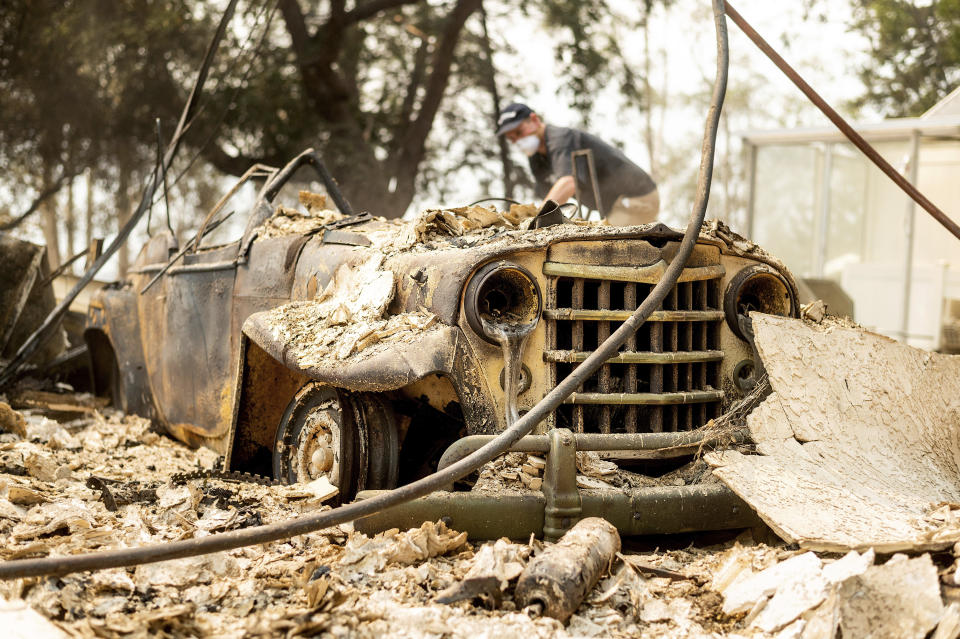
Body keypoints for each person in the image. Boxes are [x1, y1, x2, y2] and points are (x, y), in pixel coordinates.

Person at [495, 102, 659, 226]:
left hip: (636, 198)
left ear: (535, 120)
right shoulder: (536, 158)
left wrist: (533, 221)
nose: (517, 141)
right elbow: (547, 199)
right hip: (611, 208)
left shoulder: (560, 138)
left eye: (518, 132)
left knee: (607, 248)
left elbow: (568, 182)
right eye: (512, 138)